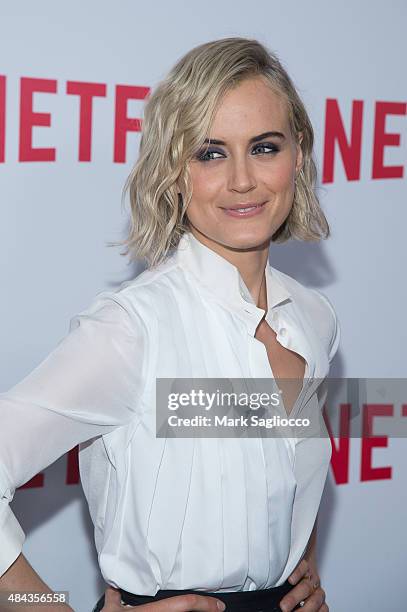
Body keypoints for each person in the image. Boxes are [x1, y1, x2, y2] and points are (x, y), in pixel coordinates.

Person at [0, 37, 339, 612]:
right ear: (173, 171)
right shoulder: (134, 328)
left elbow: (290, 473)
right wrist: (52, 609)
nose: (241, 180)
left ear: (298, 155)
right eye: (210, 152)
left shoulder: (314, 318)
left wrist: (297, 570)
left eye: (264, 147)